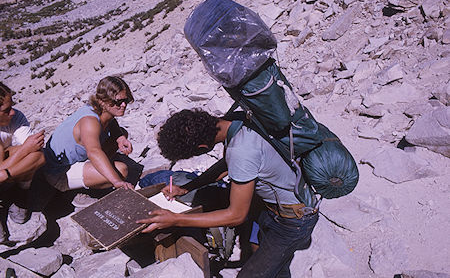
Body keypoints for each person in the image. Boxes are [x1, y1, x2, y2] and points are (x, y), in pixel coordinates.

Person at [138, 109, 319, 278]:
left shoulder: (241, 152)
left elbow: (236, 216)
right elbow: (227, 163)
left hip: (292, 222)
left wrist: (176, 219)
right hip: (276, 207)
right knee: (272, 262)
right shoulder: (236, 119)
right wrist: (188, 187)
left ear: (202, 147)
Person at [42, 76, 135, 193]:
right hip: (58, 173)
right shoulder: (90, 121)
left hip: (68, 162)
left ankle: (93, 172)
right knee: (122, 170)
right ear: (102, 101)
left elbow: (112, 123)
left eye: (125, 101)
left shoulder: (100, 111)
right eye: (117, 102)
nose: (123, 105)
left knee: (121, 134)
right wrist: (117, 181)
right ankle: (83, 192)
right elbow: (94, 151)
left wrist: (121, 138)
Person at [0, 82, 45, 242]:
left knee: (37, 156)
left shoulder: (16, 117)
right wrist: (25, 149)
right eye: (6, 110)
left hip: (5, 172)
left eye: (11, 106)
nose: (12, 112)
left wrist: (5, 173)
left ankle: (20, 195)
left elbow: (35, 151)